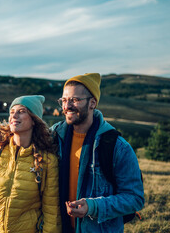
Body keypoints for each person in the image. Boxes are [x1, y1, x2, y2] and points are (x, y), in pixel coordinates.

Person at [52, 73, 144, 232]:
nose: (67, 106)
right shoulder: (54, 137)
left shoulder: (117, 146)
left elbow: (134, 199)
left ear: (92, 103)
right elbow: (25, 138)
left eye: (75, 100)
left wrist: (93, 206)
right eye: (64, 100)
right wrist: (3, 134)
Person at [0, 95, 62, 233]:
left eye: (21, 111)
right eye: (12, 112)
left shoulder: (47, 161)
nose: (14, 116)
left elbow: (52, 212)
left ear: (34, 120)